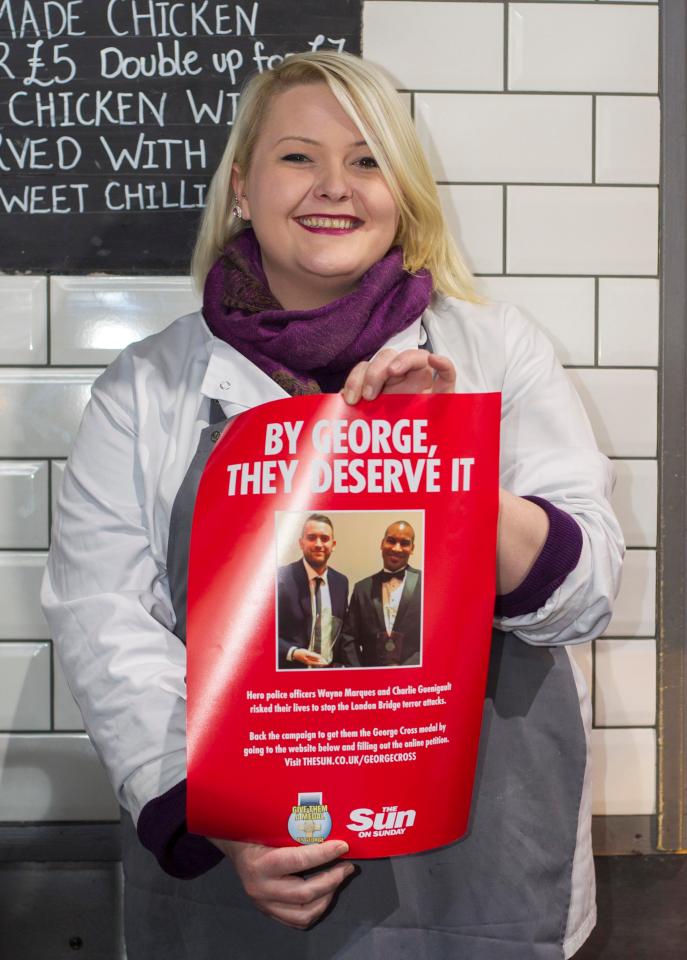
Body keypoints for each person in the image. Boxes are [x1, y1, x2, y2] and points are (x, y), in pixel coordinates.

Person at [41, 51, 623, 960]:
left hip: (476, 865)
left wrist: (443, 463)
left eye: (364, 159)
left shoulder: (497, 353)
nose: (333, 187)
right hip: (241, 867)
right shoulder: (149, 385)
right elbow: (100, 616)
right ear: (241, 186)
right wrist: (223, 820)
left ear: (402, 190)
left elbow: (583, 591)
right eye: (296, 157)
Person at [337, 520, 422, 667]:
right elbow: (349, 638)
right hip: (369, 682)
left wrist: (409, 669)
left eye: (404, 543)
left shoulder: (427, 583)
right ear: (382, 543)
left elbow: (435, 636)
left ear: (412, 548)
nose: (396, 548)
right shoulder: (361, 589)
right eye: (391, 541)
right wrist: (360, 674)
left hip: (413, 681)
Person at [278, 513, 348, 668]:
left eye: (324, 538)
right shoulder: (280, 578)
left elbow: (342, 631)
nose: (318, 544)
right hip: (292, 675)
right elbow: (261, 634)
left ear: (333, 544)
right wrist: (293, 652)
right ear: (301, 543)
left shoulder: (341, 582)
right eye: (311, 537)